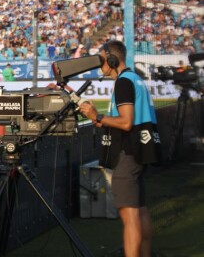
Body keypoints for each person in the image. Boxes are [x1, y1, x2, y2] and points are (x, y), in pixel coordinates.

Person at [80, 40, 159, 257]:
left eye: (102, 59)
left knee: (129, 214)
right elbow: (123, 121)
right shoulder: (135, 79)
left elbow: (126, 122)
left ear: (111, 58)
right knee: (140, 210)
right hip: (139, 151)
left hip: (128, 153)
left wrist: (97, 116)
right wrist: (99, 118)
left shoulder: (124, 82)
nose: (100, 65)